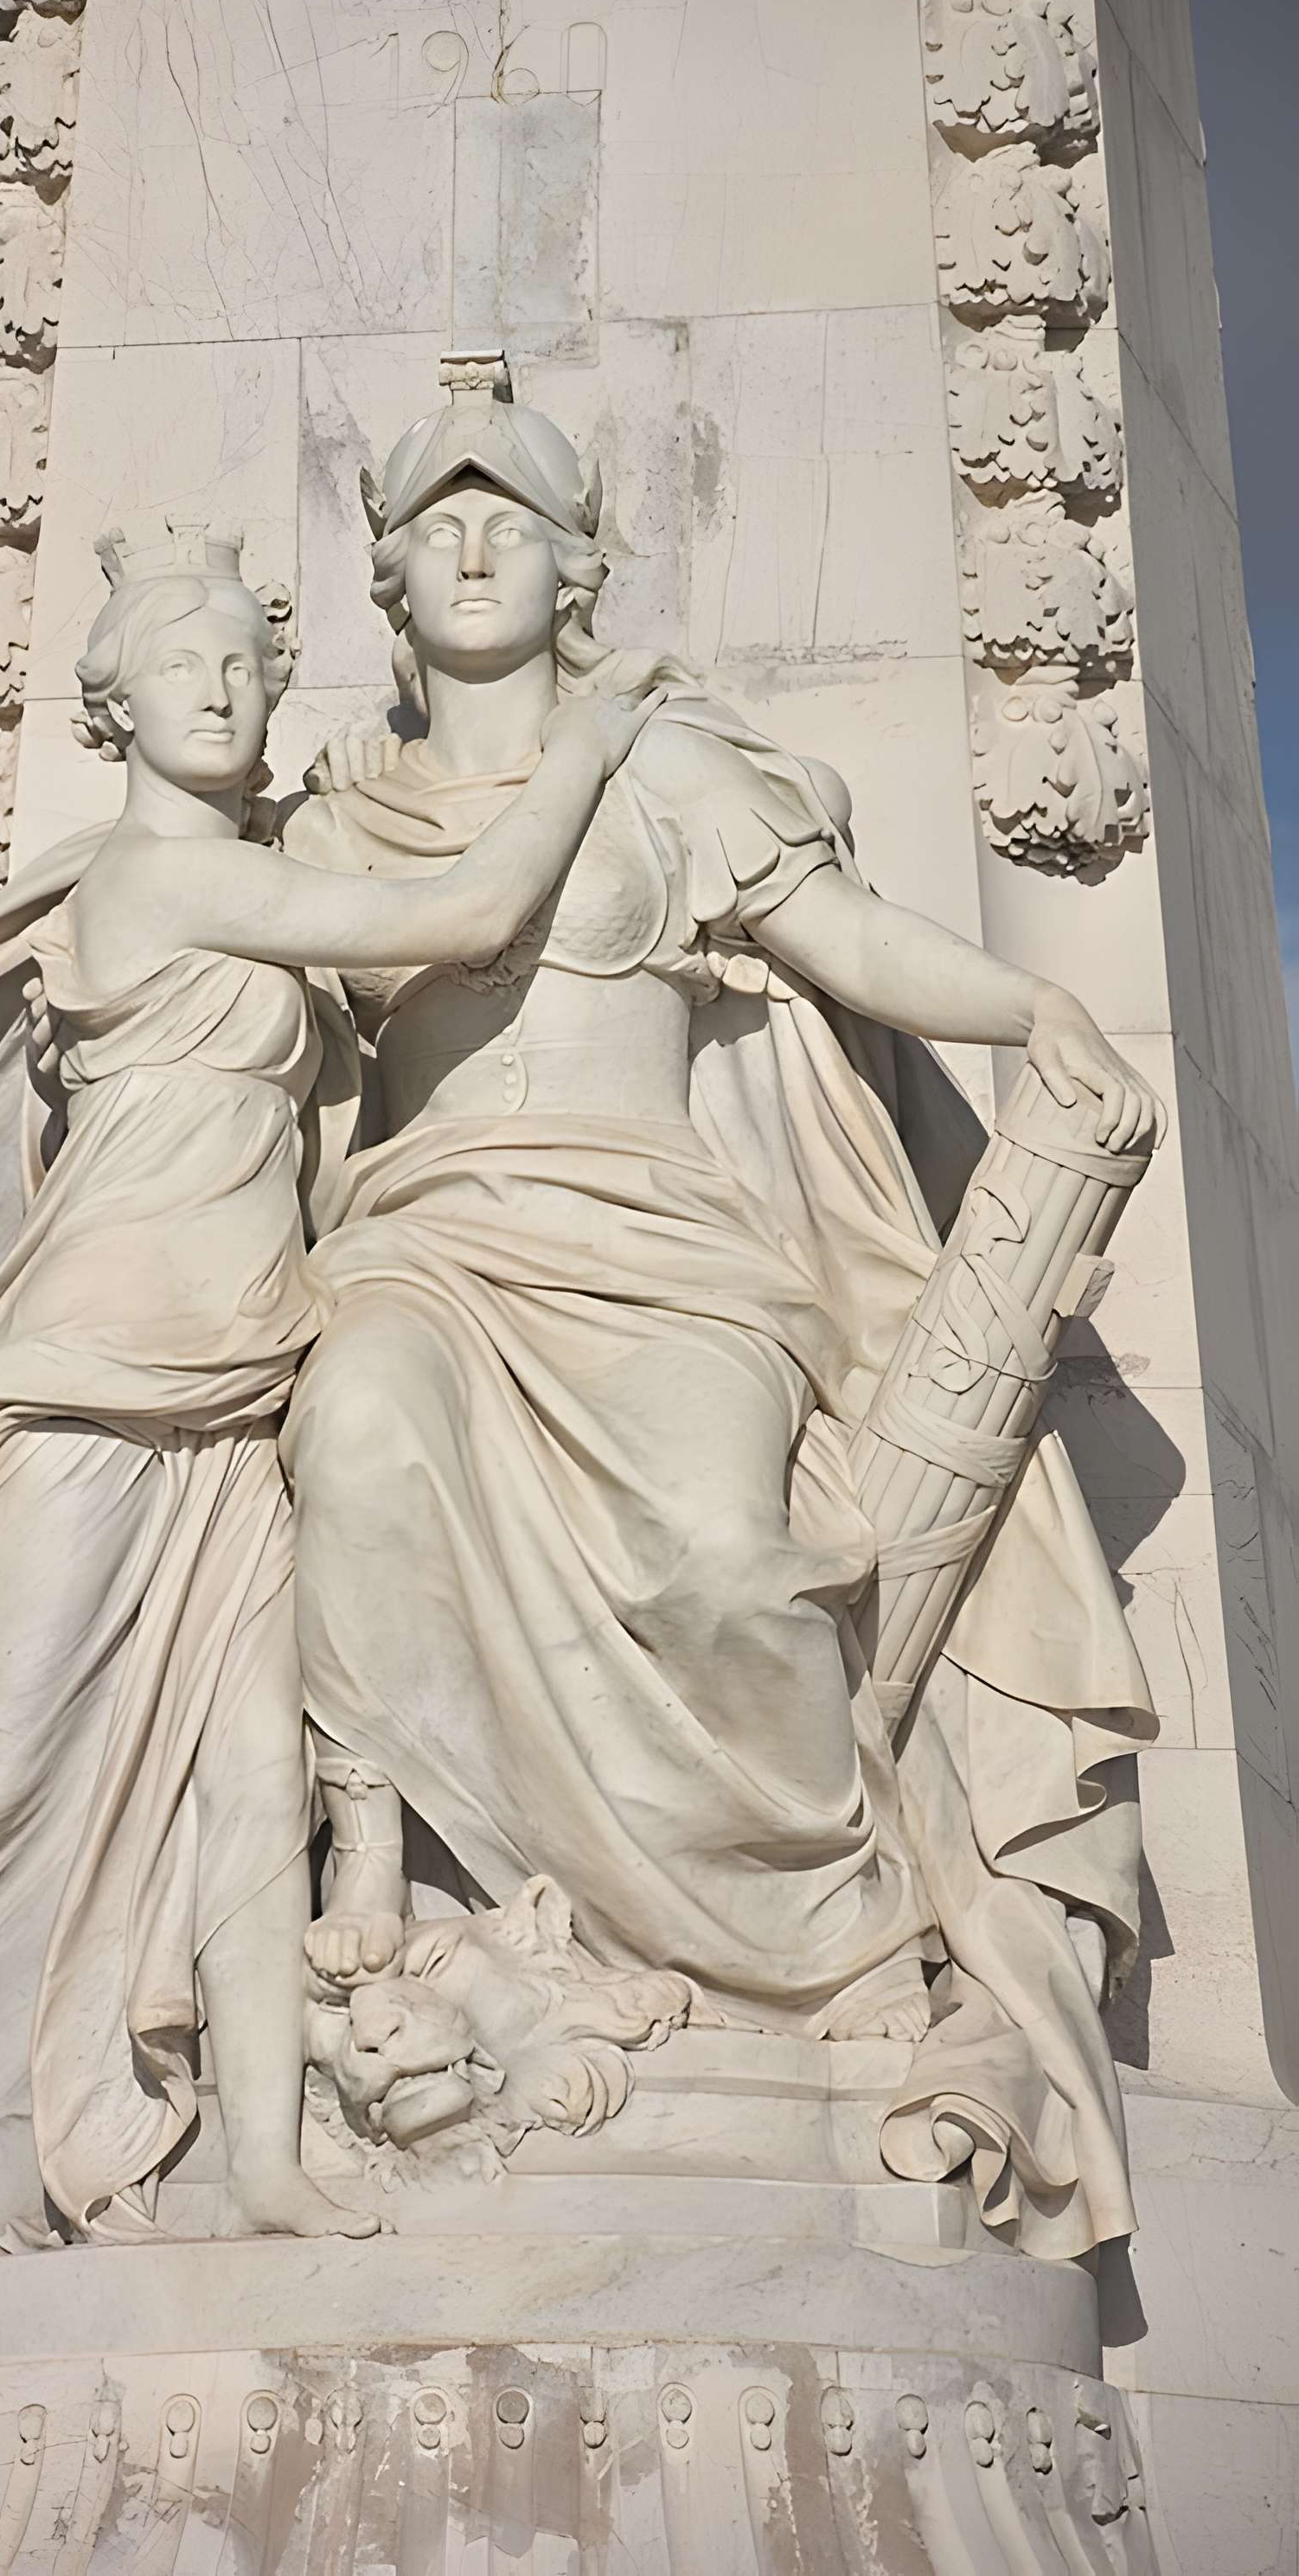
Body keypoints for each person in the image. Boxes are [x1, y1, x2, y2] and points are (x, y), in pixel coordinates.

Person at [275, 358, 1161, 2257]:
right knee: (351, 1427)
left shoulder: (672, 770)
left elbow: (843, 939)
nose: (476, 551)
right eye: (439, 524)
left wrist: (1036, 1006)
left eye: (513, 520)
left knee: (725, 1561)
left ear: (576, 565)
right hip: (429, 1241)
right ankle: (369, 1841)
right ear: (391, 578)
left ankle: (812, 1935)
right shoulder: (339, 819)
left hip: (661, 1242)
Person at [0, 520, 663, 2304]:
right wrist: (592, 743)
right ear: (116, 706)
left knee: (253, 1788)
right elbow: (462, 917)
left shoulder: (250, 878)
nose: (223, 691)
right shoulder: (155, 881)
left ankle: (262, 2157)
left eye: (245, 662)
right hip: (88, 1381)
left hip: (240, 1392)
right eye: (184, 667)